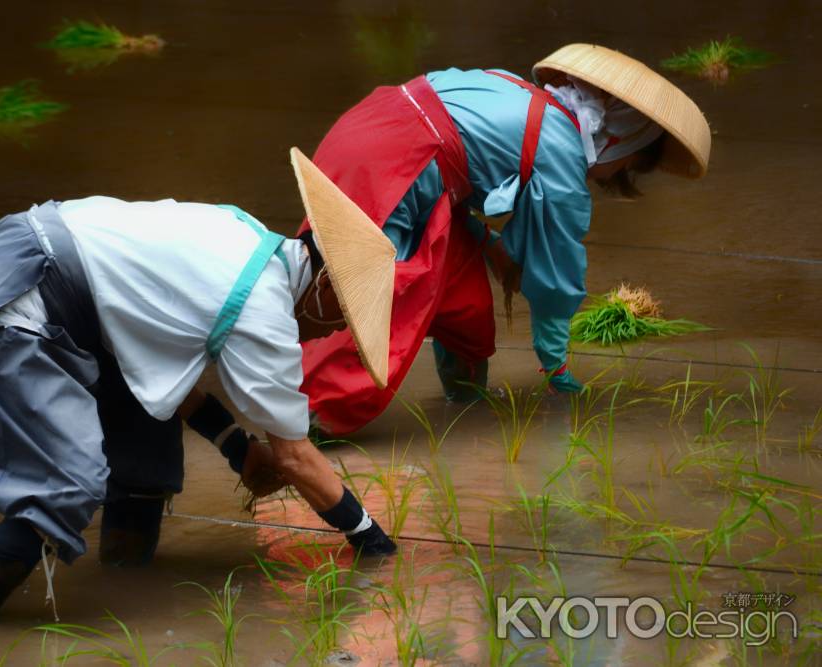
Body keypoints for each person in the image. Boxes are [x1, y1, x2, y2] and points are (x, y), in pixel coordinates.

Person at [0, 149, 398, 623]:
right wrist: (372, 541)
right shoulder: (263, 305)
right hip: (15, 296)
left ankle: (125, 579)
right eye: (341, 319)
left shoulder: (241, 232)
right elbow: (295, 456)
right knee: (69, 479)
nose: (331, 333)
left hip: (16, 258)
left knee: (145, 429)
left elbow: (156, 379)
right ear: (323, 285)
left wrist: (237, 449)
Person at [297, 43, 712, 435]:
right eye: (632, 163)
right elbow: (556, 275)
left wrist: (493, 248)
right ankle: (301, 430)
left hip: (369, 134)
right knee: (365, 302)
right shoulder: (562, 152)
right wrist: (555, 365)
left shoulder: (515, 89)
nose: (618, 175)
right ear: (618, 138)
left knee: (466, 301)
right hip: (389, 171)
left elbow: (450, 174)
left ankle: (464, 403)